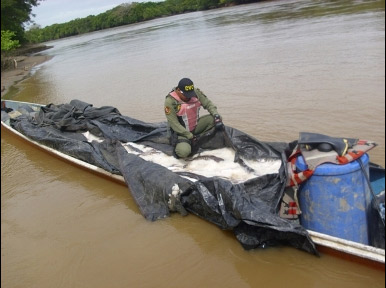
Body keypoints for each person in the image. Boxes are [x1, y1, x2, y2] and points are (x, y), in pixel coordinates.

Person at [164, 78, 222, 158]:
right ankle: (183, 143)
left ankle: (197, 138)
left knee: (214, 119)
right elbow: (174, 124)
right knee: (184, 152)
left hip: (195, 126)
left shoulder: (195, 92)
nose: (188, 97)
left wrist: (216, 115)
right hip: (181, 132)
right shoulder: (170, 101)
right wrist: (189, 136)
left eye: (190, 94)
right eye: (186, 95)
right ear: (178, 91)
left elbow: (208, 104)